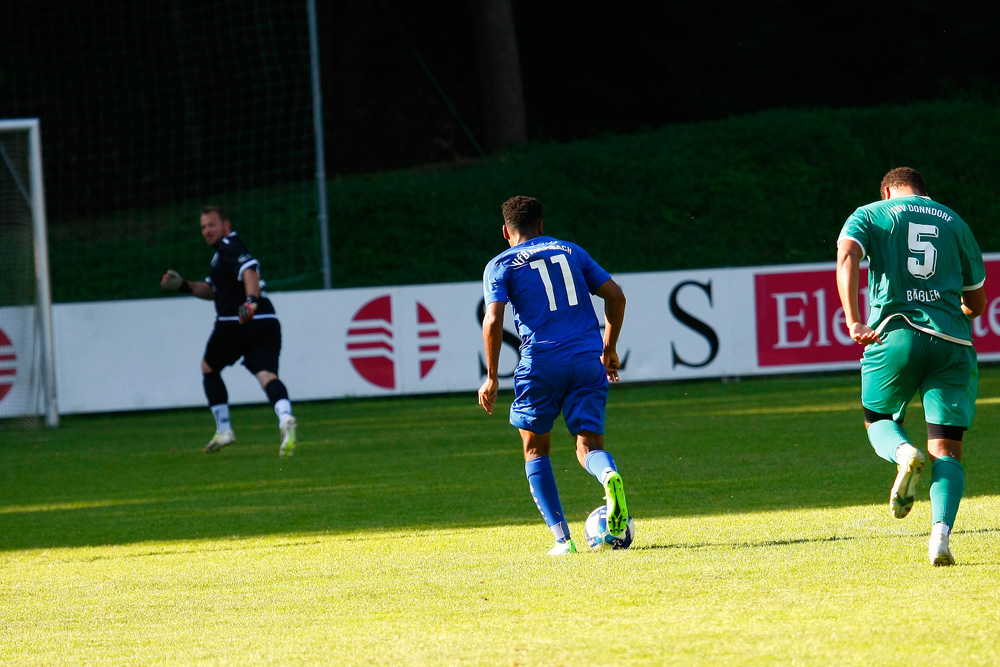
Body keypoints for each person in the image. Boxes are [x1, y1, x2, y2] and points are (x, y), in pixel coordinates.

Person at [836, 167, 986, 566]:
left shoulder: (870, 213)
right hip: (952, 343)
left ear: (887, 190)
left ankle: (902, 454)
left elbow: (847, 254)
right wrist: (960, 310)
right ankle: (940, 537)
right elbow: (977, 301)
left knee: (878, 418)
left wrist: (853, 319)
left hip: (894, 334)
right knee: (947, 452)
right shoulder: (954, 220)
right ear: (923, 190)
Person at [478, 195, 629, 555]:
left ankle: (563, 540)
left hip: (540, 363)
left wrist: (492, 376)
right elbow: (617, 297)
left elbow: (494, 319)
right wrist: (608, 349)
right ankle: (608, 475)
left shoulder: (500, 265)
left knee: (535, 448)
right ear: (542, 226)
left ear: (505, 232)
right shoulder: (571, 251)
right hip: (586, 360)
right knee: (589, 446)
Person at [160, 205, 297, 457]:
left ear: (226, 225)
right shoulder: (220, 257)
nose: (207, 231)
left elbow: (249, 271)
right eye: (203, 227)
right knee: (267, 376)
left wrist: (250, 301)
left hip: (237, 320)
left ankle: (224, 429)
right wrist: (183, 285)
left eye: (211, 224)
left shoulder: (231, 245)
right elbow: (212, 290)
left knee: (209, 368)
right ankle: (285, 417)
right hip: (267, 320)